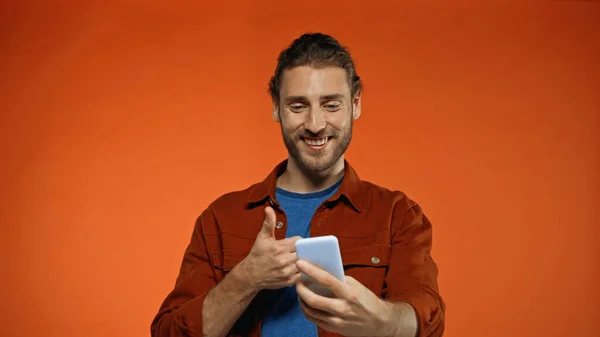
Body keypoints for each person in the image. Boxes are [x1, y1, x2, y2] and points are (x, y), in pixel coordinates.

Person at [150, 32, 445, 337]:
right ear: (276, 107)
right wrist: (246, 278)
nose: (315, 124)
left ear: (355, 104)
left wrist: (382, 320)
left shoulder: (398, 215)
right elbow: (167, 333)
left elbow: (428, 321)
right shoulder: (221, 217)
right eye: (297, 106)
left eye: (331, 105)